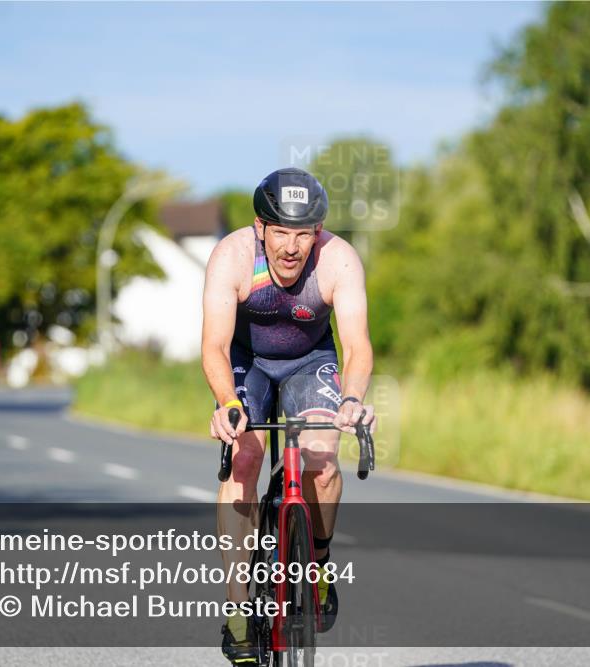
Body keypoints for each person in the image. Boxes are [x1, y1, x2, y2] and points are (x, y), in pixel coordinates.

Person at [201, 167, 376, 663]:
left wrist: (353, 398)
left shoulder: (338, 260)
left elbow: (358, 346)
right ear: (261, 228)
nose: (292, 247)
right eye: (281, 232)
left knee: (321, 462)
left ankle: (317, 563)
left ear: (317, 231)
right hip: (245, 362)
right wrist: (229, 404)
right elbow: (213, 345)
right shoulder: (231, 257)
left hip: (309, 361)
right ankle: (239, 614)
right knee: (246, 460)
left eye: (303, 233)